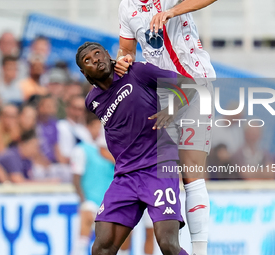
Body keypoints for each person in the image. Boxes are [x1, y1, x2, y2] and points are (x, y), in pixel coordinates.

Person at [115, 0, 217, 254]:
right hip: (161, 93)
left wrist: (172, 11)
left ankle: (200, 251)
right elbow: (126, 49)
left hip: (196, 83)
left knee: (191, 171)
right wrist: (123, 61)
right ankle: (167, 246)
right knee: (160, 175)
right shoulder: (126, 7)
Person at [76, 42, 189, 255]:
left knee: (167, 244)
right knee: (101, 247)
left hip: (157, 167)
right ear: (84, 73)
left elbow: (185, 84)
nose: (95, 60)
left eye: (98, 54)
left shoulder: (137, 71)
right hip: (125, 176)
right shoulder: (92, 101)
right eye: (88, 61)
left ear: (108, 55)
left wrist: (172, 109)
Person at [71, 112, 114, 255]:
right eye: (95, 127)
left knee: (108, 242)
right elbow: (76, 178)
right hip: (91, 200)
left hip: (107, 202)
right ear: (88, 127)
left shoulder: (108, 151)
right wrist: (83, 202)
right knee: (83, 238)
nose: (98, 131)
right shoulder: (81, 150)